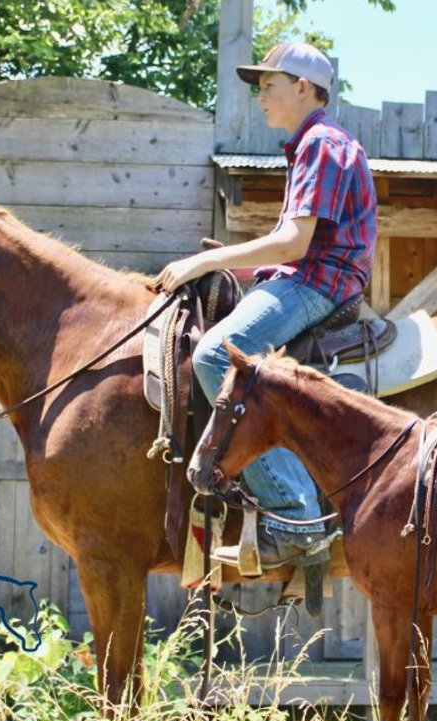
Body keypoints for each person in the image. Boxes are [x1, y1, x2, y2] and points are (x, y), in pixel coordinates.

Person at [154, 42, 377, 567]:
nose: (260, 97)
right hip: (308, 275)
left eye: (268, 85)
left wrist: (203, 264)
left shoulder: (322, 143)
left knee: (213, 356)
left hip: (317, 282)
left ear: (303, 88)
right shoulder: (312, 146)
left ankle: (294, 515)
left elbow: (295, 245)